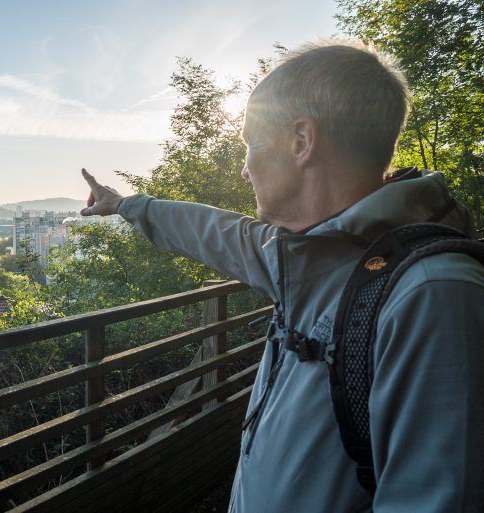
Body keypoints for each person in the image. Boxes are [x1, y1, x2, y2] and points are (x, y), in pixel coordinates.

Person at [80, 41, 484, 513]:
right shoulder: (299, 256)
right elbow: (209, 231)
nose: (245, 164)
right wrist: (126, 205)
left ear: (301, 141)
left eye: (251, 143)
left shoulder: (433, 296)